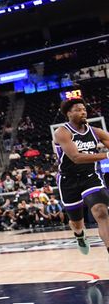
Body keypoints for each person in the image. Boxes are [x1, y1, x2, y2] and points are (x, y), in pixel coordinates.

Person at [53, 98, 109, 257]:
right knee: (77, 223)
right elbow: (75, 157)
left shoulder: (96, 132)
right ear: (68, 113)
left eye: (84, 109)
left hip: (90, 177)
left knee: (101, 212)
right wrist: (106, 155)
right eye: (78, 110)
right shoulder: (62, 132)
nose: (83, 112)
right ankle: (79, 235)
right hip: (68, 181)